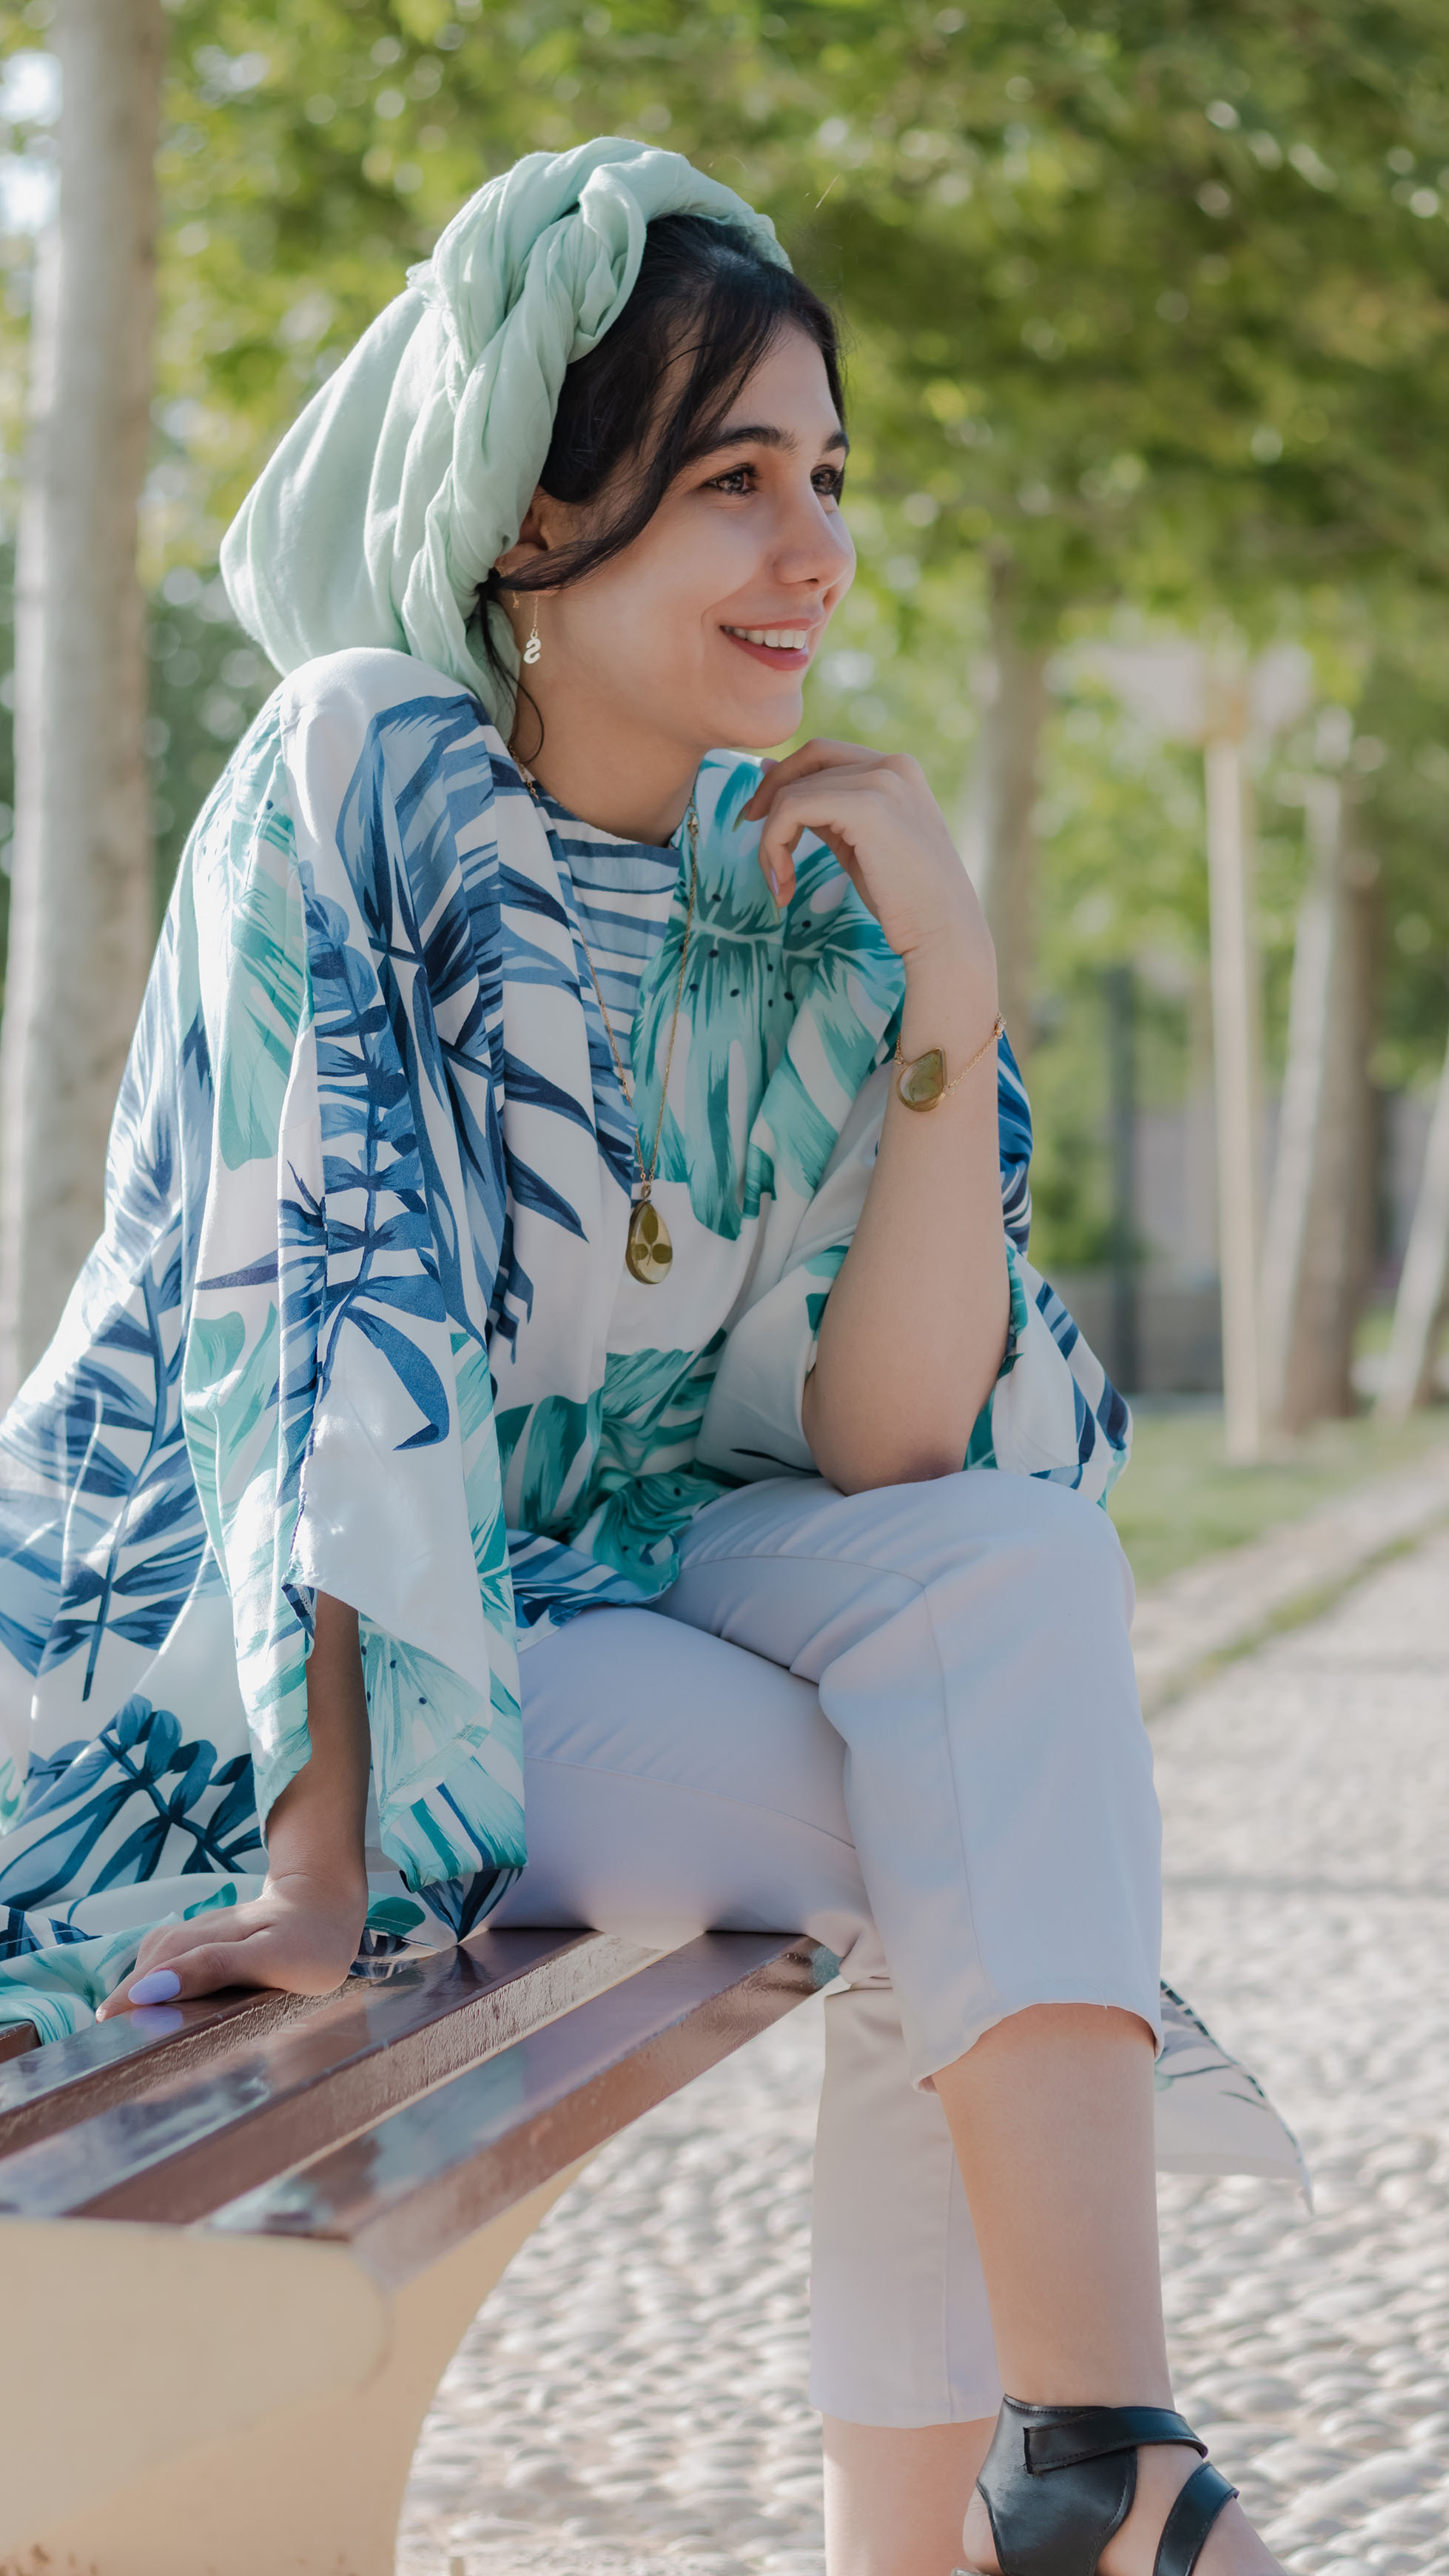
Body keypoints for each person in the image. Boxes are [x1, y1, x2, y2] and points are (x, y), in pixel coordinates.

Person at [0, 141, 1297, 2576]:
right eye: (735, 484)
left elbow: (900, 1453)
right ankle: (1073, 2498)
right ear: (530, 516)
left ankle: (1092, 2462)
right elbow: (311, 1326)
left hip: (610, 1590)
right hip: (293, 1653)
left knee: (1015, 1589)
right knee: (973, 1823)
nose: (818, 552)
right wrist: (320, 1855)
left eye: (832, 480)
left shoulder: (792, 882)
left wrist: (947, 990)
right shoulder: (364, 774)